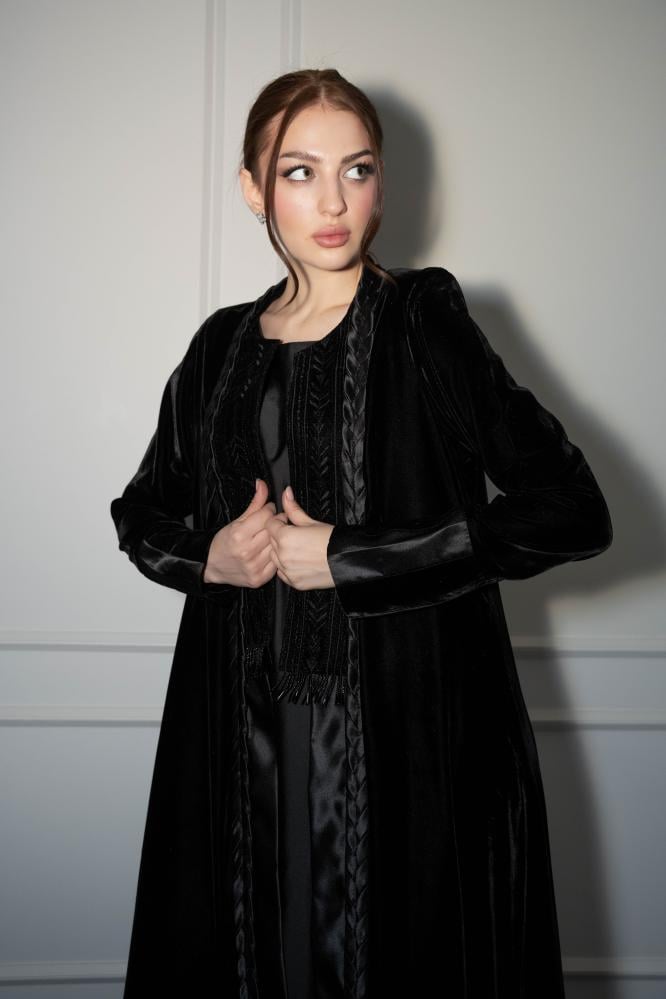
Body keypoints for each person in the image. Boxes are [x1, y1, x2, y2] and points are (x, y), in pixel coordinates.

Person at [110, 68, 613, 999]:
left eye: (358, 168)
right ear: (253, 187)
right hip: (238, 738)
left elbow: (572, 507)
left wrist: (354, 557)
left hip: (409, 741)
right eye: (299, 172)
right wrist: (208, 554)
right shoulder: (219, 346)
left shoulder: (425, 320)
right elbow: (140, 512)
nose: (335, 202)